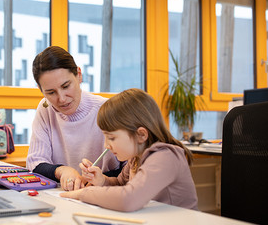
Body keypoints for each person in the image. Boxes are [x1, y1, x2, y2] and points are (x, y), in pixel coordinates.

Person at [60, 88, 198, 211]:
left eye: (112, 138)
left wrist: (84, 194)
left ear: (141, 135)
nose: (106, 145)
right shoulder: (135, 157)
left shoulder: (165, 157)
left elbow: (129, 199)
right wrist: (102, 181)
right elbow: (121, 184)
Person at [26, 46, 122, 191]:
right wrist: (63, 171)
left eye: (66, 86)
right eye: (51, 92)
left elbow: (130, 169)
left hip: (106, 193)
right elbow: (35, 163)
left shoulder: (108, 110)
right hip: (66, 195)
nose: (62, 99)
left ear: (78, 75)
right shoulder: (45, 109)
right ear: (41, 91)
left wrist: (98, 179)